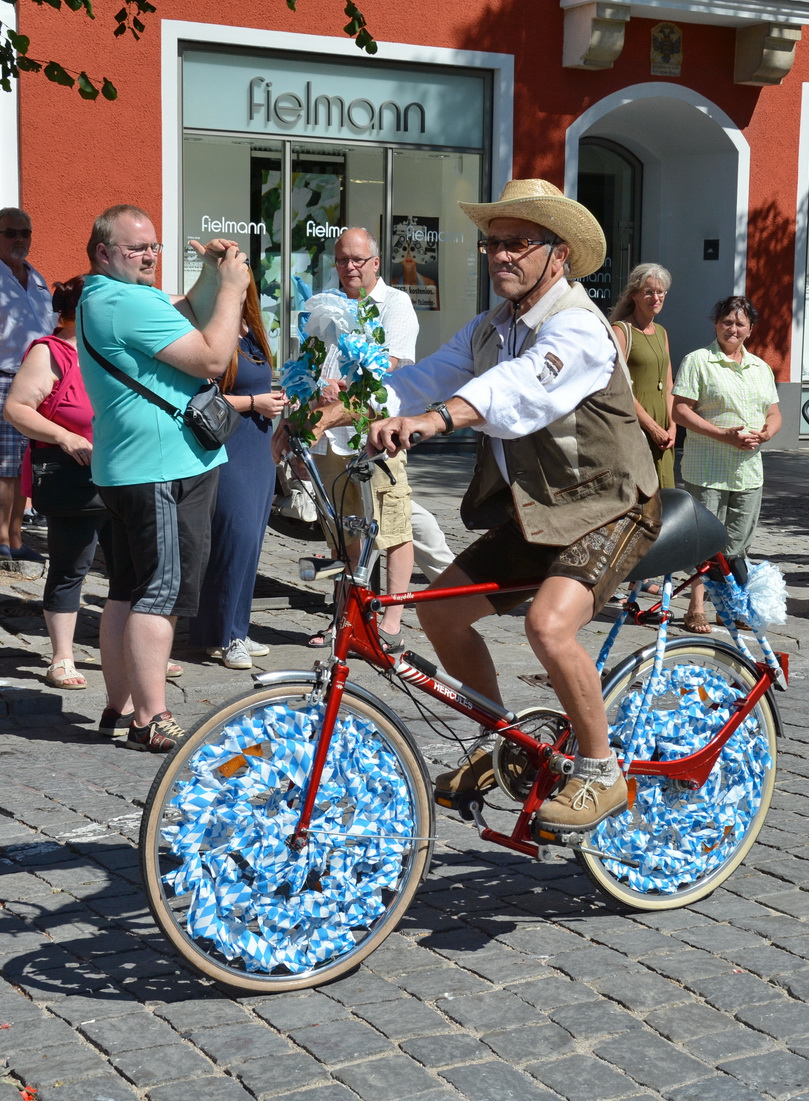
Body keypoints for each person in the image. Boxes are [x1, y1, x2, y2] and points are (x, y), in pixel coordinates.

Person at [364, 178, 661, 834]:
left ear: (558, 255)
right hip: (542, 511)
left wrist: (438, 420)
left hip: (612, 506)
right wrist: (341, 406)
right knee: (440, 613)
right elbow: (423, 377)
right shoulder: (491, 327)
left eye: (517, 243)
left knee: (550, 627)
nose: (501, 255)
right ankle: (507, 748)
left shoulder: (579, 328)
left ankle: (601, 770)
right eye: (493, 243)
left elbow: (519, 387)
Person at [76, 204, 247, 753]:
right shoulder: (123, 302)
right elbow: (212, 356)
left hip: (130, 467)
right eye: (136, 249)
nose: (149, 255)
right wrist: (235, 290)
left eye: (154, 246)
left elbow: (183, 313)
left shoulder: (109, 297)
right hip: (163, 468)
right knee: (161, 592)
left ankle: (119, 706)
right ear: (104, 254)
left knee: (127, 590)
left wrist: (210, 276)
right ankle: (152, 717)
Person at [306, 226, 421, 649]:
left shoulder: (394, 303)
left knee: (393, 527)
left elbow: (396, 362)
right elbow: (314, 359)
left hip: (377, 433)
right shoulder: (328, 304)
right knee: (344, 532)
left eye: (357, 260)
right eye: (341, 260)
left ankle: (390, 622)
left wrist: (348, 380)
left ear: (375, 262)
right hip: (333, 436)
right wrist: (320, 387)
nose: (349, 267)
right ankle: (344, 619)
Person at [2, 276, 105, 690]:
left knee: (134, 565)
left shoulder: (110, 353)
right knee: (71, 565)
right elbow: (16, 408)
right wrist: (64, 436)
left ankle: (135, 650)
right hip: (74, 476)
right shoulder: (51, 352)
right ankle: (62, 657)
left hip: (126, 473)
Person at [188, 283, 286, 670]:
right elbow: (195, 396)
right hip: (229, 445)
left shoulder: (253, 331)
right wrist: (254, 403)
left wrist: (277, 401)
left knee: (249, 542)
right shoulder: (210, 333)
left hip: (259, 447)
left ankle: (232, 630)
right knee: (235, 536)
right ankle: (226, 637)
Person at [671, 295, 781, 634]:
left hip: (747, 472)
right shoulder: (699, 361)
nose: (732, 328)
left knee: (737, 546)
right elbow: (680, 411)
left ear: (750, 329)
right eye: (727, 322)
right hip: (708, 470)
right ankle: (695, 608)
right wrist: (722, 434)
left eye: (740, 323)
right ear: (716, 324)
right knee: (705, 544)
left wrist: (765, 434)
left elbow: (774, 413)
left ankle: (729, 607)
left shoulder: (760, 367)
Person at [0, 208, 55, 563]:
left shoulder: (37, 279)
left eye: (25, 233)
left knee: (25, 464)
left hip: (37, 384)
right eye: (11, 233)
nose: (20, 239)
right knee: (1, 461)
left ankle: (16, 538)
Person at [610, 262, 677, 493]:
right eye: (649, 292)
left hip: (663, 429)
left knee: (666, 497)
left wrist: (672, 426)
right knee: (640, 496)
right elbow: (616, 388)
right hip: (636, 427)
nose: (655, 298)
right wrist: (652, 427)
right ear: (635, 295)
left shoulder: (661, 332)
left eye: (660, 292)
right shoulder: (621, 331)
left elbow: (669, 384)